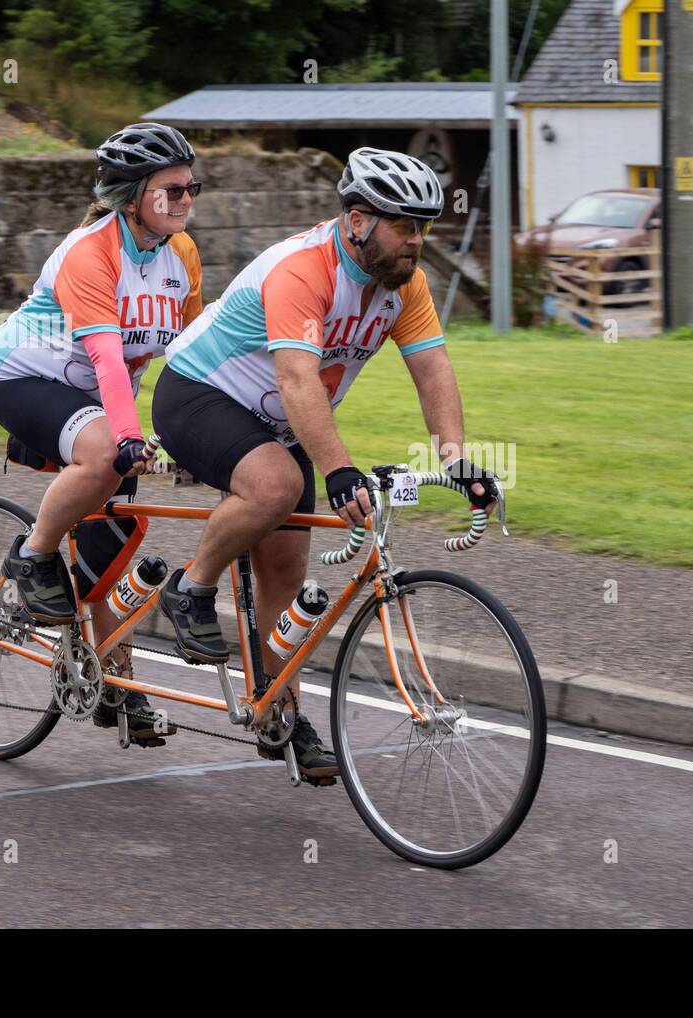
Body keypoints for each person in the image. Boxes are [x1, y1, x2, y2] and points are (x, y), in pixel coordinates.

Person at [153, 147, 500, 782]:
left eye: (424, 228)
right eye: (405, 226)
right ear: (359, 221)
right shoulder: (303, 270)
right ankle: (190, 586)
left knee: (287, 568)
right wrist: (339, 471)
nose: (417, 242)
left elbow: (433, 369)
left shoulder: (405, 286)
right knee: (278, 485)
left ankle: (278, 713)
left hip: (279, 418)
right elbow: (298, 379)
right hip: (199, 394)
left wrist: (454, 457)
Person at [0, 122, 204, 746]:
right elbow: (106, 356)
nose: (186, 199)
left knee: (111, 547)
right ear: (133, 196)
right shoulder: (90, 251)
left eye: (192, 187)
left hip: (101, 402)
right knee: (109, 457)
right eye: (172, 190)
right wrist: (128, 438)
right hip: (24, 377)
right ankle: (33, 555)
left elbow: (189, 351)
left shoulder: (180, 255)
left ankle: (114, 682)